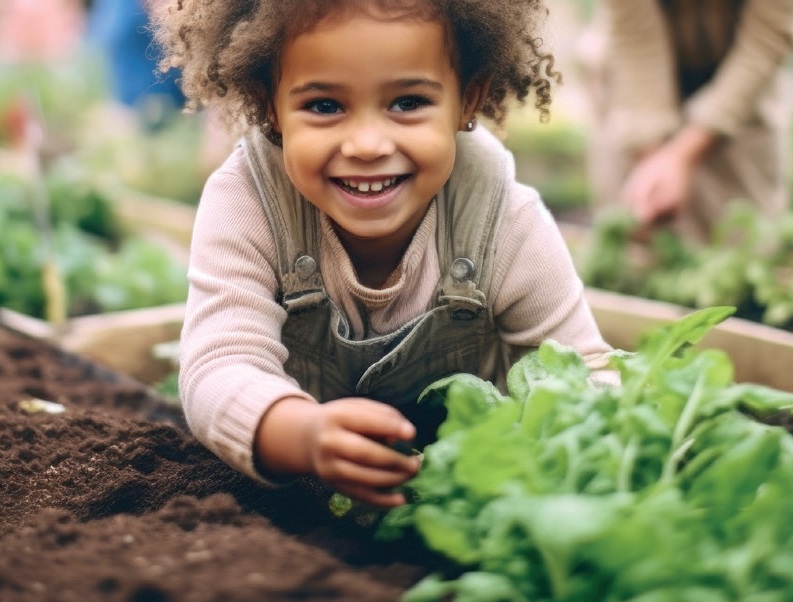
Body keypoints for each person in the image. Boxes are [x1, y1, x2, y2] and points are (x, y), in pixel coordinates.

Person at [151, 0, 616, 508]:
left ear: (468, 99)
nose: (368, 144)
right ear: (270, 105)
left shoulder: (502, 218)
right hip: (304, 502)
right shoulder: (248, 202)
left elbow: (583, 366)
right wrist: (301, 434)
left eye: (408, 102)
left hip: (470, 499)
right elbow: (218, 365)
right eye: (325, 106)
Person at [581, 0, 793, 243]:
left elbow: (764, 42)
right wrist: (650, 157)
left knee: (745, 234)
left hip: (740, 71)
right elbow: (637, 43)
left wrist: (684, 153)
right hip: (632, 69)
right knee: (634, 234)